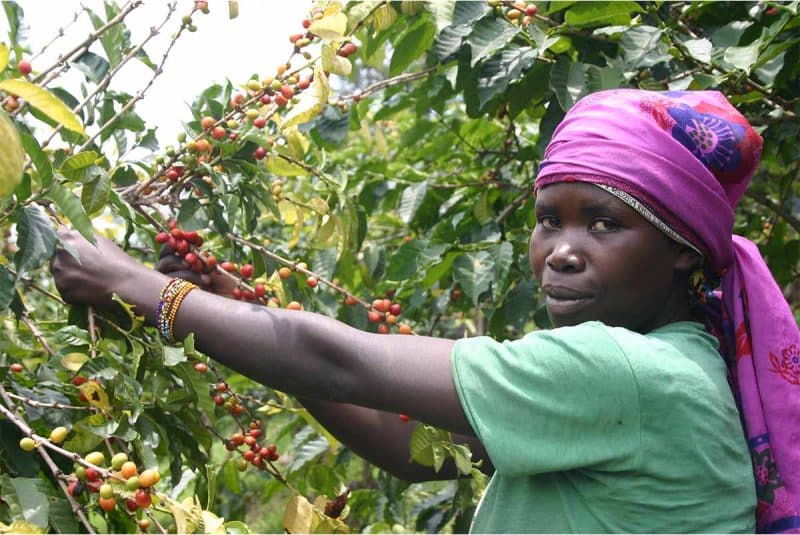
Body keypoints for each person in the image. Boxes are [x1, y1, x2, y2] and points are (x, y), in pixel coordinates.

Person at [51, 89, 799, 533]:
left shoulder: (624, 372)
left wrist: (138, 286)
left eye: (604, 223)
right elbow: (412, 452)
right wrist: (233, 308)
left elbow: (338, 359)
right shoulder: (675, 366)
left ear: (681, 250)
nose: (562, 252)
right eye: (549, 219)